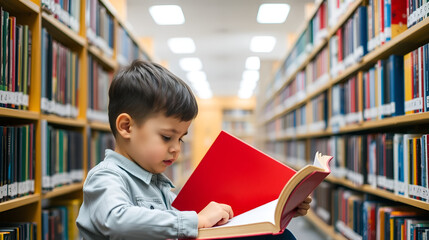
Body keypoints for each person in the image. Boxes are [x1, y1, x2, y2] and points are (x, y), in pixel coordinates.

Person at [76, 60, 311, 240]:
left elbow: (191, 216)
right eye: (167, 137)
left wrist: (278, 209)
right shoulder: (106, 177)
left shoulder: (156, 183)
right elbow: (115, 219)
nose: (176, 149)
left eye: (181, 139)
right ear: (126, 126)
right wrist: (195, 219)